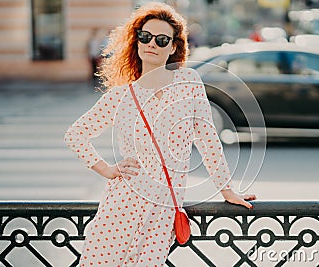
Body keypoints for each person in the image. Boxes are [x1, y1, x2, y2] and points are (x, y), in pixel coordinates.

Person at [64, 2, 256, 266]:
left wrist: (226, 189)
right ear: (137, 41)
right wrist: (106, 169)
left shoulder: (189, 82)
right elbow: (75, 135)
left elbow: (208, 138)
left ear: (174, 47)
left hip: (163, 208)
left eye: (162, 39)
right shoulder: (121, 96)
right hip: (121, 205)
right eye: (145, 36)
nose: (152, 43)